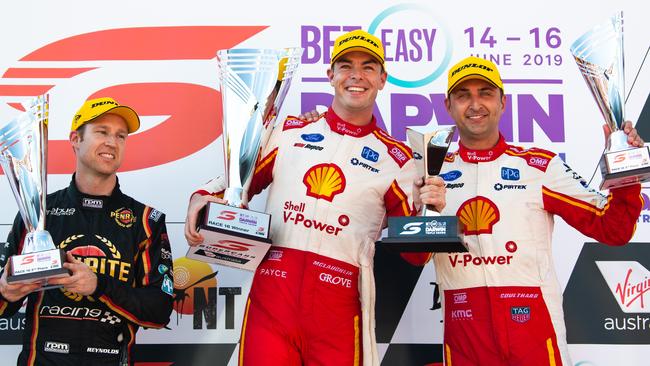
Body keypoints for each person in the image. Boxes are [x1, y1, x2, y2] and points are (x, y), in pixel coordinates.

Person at [185, 29, 438, 366]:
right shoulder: (289, 133)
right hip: (272, 299)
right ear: (330, 75)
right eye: (346, 66)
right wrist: (202, 196)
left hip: (341, 306)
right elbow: (236, 182)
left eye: (368, 67)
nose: (356, 76)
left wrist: (431, 211)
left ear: (382, 79)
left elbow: (416, 256)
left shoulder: (399, 161)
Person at [403, 56, 644, 366]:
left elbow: (614, 229)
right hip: (467, 339)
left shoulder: (538, 166)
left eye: (485, 93)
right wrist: (425, 211)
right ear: (448, 105)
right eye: (464, 95)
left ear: (503, 102)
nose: (475, 104)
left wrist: (626, 170)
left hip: (535, 336)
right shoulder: (431, 170)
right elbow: (414, 257)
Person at [0, 97, 175, 366]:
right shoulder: (35, 213)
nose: (112, 142)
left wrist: (99, 285)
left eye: (121, 136)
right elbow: (3, 305)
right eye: (102, 132)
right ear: (75, 140)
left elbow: (160, 310)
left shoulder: (146, 221)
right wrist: (5, 294)